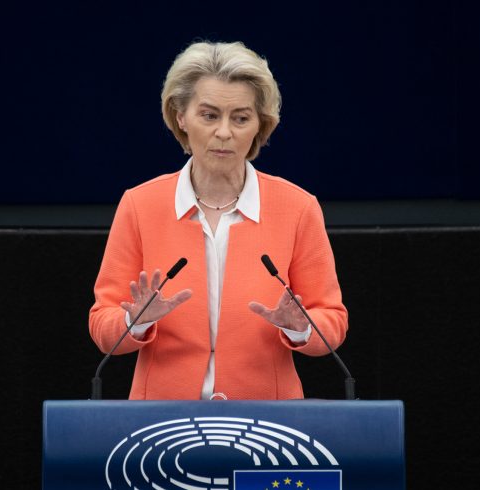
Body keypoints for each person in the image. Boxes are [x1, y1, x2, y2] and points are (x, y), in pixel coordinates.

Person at [89, 41, 348, 400]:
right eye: (209, 116)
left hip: (266, 417)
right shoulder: (139, 205)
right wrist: (136, 320)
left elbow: (333, 322)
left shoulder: (298, 208)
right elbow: (102, 325)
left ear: (260, 124)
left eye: (240, 118)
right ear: (181, 116)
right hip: (163, 418)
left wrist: (302, 327)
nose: (224, 132)